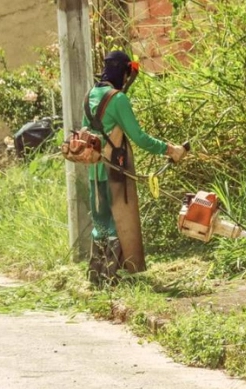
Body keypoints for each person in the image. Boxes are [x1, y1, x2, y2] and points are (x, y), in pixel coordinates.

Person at [84, 50, 187, 284]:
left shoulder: (90, 94)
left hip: (94, 171)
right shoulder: (117, 99)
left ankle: (96, 278)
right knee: (114, 224)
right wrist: (170, 149)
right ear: (123, 72)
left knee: (99, 222)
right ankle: (114, 278)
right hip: (114, 173)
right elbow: (139, 137)